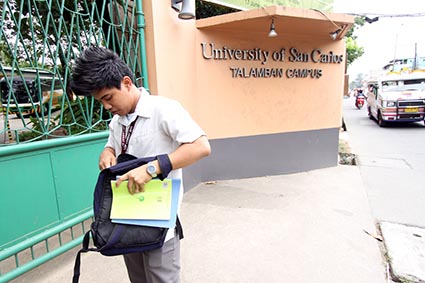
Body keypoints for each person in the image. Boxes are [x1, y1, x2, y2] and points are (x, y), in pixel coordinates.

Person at [70, 46, 211, 283]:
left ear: (126, 83)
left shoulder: (163, 109)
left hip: (159, 223)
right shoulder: (117, 122)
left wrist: (152, 168)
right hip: (128, 219)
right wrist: (107, 151)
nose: (106, 106)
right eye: (100, 101)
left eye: (108, 97)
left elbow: (201, 146)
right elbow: (113, 145)